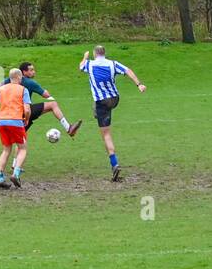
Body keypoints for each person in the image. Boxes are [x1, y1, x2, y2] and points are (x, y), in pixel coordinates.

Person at [79, 45, 147, 182]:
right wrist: (139, 84)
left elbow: (81, 67)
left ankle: (114, 163)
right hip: (114, 99)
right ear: (104, 53)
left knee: (106, 134)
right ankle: (99, 112)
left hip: (101, 102)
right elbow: (128, 71)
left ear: (94, 54)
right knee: (103, 111)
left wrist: (85, 56)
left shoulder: (89, 64)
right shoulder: (113, 64)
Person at [19, 62, 81, 137]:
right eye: (31, 70)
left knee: (20, 139)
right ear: (24, 72)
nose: (34, 72)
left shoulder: (10, 80)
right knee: (53, 104)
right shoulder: (30, 82)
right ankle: (68, 128)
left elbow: (0, 86)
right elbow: (46, 95)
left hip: (11, 113)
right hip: (25, 111)